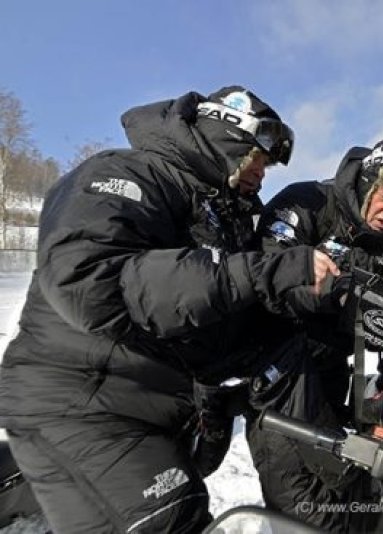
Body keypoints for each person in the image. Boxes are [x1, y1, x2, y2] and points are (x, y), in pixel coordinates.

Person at [0, 86, 338, 533]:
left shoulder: (222, 215)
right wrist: (262, 270)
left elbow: (207, 309)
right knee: (173, 521)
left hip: (144, 407)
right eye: (257, 159)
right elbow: (89, 280)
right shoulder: (128, 173)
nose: (262, 174)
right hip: (80, 401)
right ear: (225, 137)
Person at [244, 139, 383, 532]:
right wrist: (346, 295)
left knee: (350, 495)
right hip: (279, 373)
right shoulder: (306, 202)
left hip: (339, 377)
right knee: (299, 504)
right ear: (366, 183)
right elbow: (269, 279)